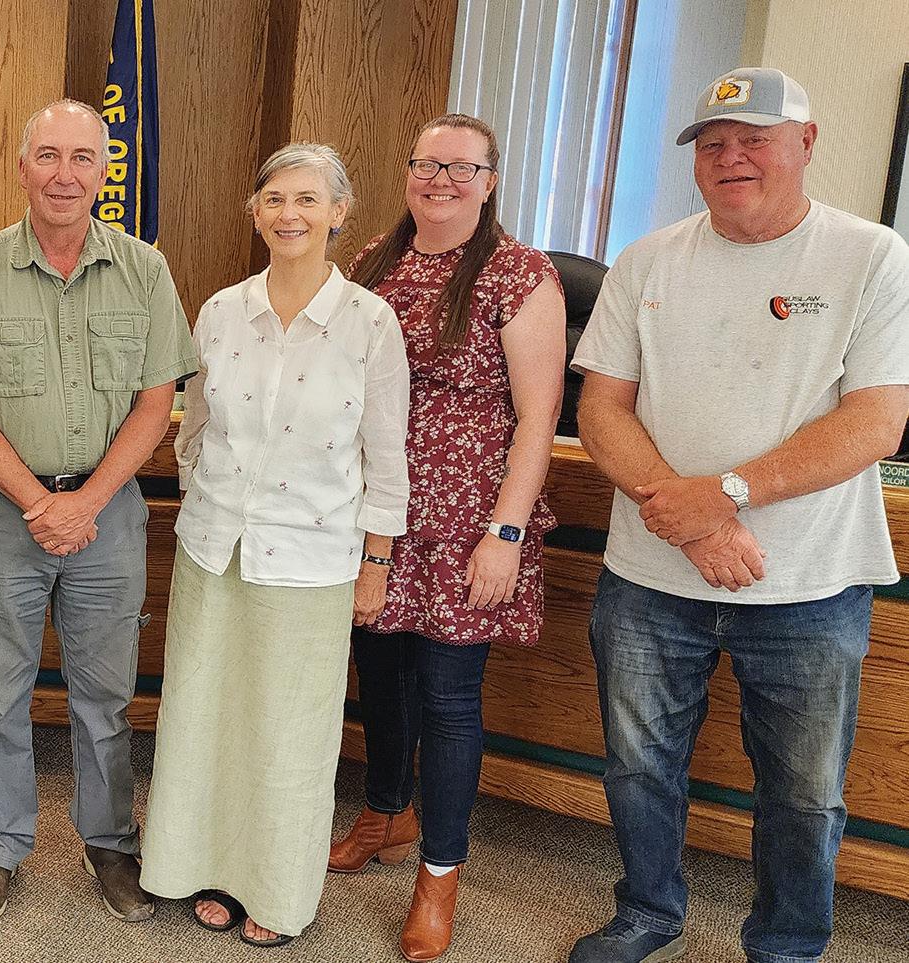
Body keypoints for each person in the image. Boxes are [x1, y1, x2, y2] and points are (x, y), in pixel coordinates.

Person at [568, 67, 909, 963]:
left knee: (804, 793)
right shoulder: (647, 259)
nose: (731, 157)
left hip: (808, 584)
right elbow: (601, 409)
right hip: (648, 579)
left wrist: (725, 495)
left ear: (805, 142)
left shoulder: (871, 256)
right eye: (713, 143)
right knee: (637, 766)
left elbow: (875, 421)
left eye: (753, 138)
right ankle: (647, 911)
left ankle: (786, 944)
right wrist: (691, 519)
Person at [0, 99, 197, 924]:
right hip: (6, 514)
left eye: (81, 157)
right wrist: (42, 503)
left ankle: (108, 841)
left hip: (108, 515)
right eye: (47, 156)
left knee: (104, 695)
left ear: (104, 169)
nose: (64, 174)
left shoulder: (145, 269)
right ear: (21, 168)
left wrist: (86, 502)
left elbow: (155, 402)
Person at [138, 143, 409, 948]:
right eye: (274, 199)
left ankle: (278, 891)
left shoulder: (369, 321)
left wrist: (375, 562)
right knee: (203, 714)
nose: (289, 214)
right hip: (213, 551)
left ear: (338, 212)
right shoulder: (221, 310)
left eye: (306, 199)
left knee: (288, 733)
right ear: (253, 211)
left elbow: (386, 456)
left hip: (313, 559)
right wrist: (208, 498)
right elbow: (192, 427)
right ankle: (201, 867)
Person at [328, 112, 565, 963]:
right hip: (379, 512)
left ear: (489, 182)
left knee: (447, 697)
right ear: (406, 173)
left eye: (462, 168)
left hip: (468, 518)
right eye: (427, 164)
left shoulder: (518, 273)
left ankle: (438, 872)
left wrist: (504, 532)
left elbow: (537, 417)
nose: (441, 180)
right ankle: (383, 814)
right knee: (379, 678)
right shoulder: (372, 260)